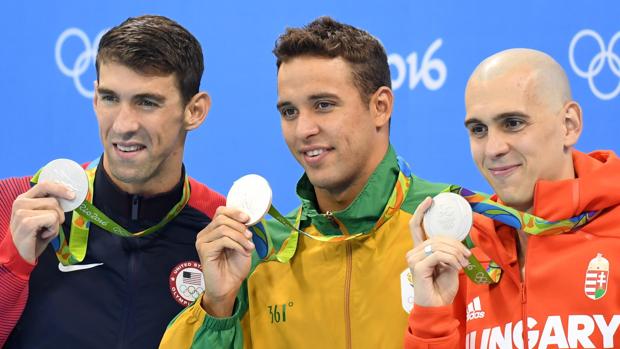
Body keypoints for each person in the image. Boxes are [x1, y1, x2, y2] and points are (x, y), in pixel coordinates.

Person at [160, 16, 446, 348]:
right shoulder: (258, 252)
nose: (303, 130)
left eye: (323, 105)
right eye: (289, 112)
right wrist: (218, 305)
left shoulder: (452, 227)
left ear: (380, 107)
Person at [0, 15, 225, 348]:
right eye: (110, 98)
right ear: (94, 98)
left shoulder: (226, 231)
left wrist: (221, 309)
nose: (122, 125)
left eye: (147, 102)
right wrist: (12, 267)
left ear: (194, 111)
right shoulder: (15, 203)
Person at [404, 48, 620, 348]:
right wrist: (432, 315)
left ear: (569, 125)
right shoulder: (468, 250)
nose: (492, 148)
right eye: (479, 129)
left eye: (513, 123)